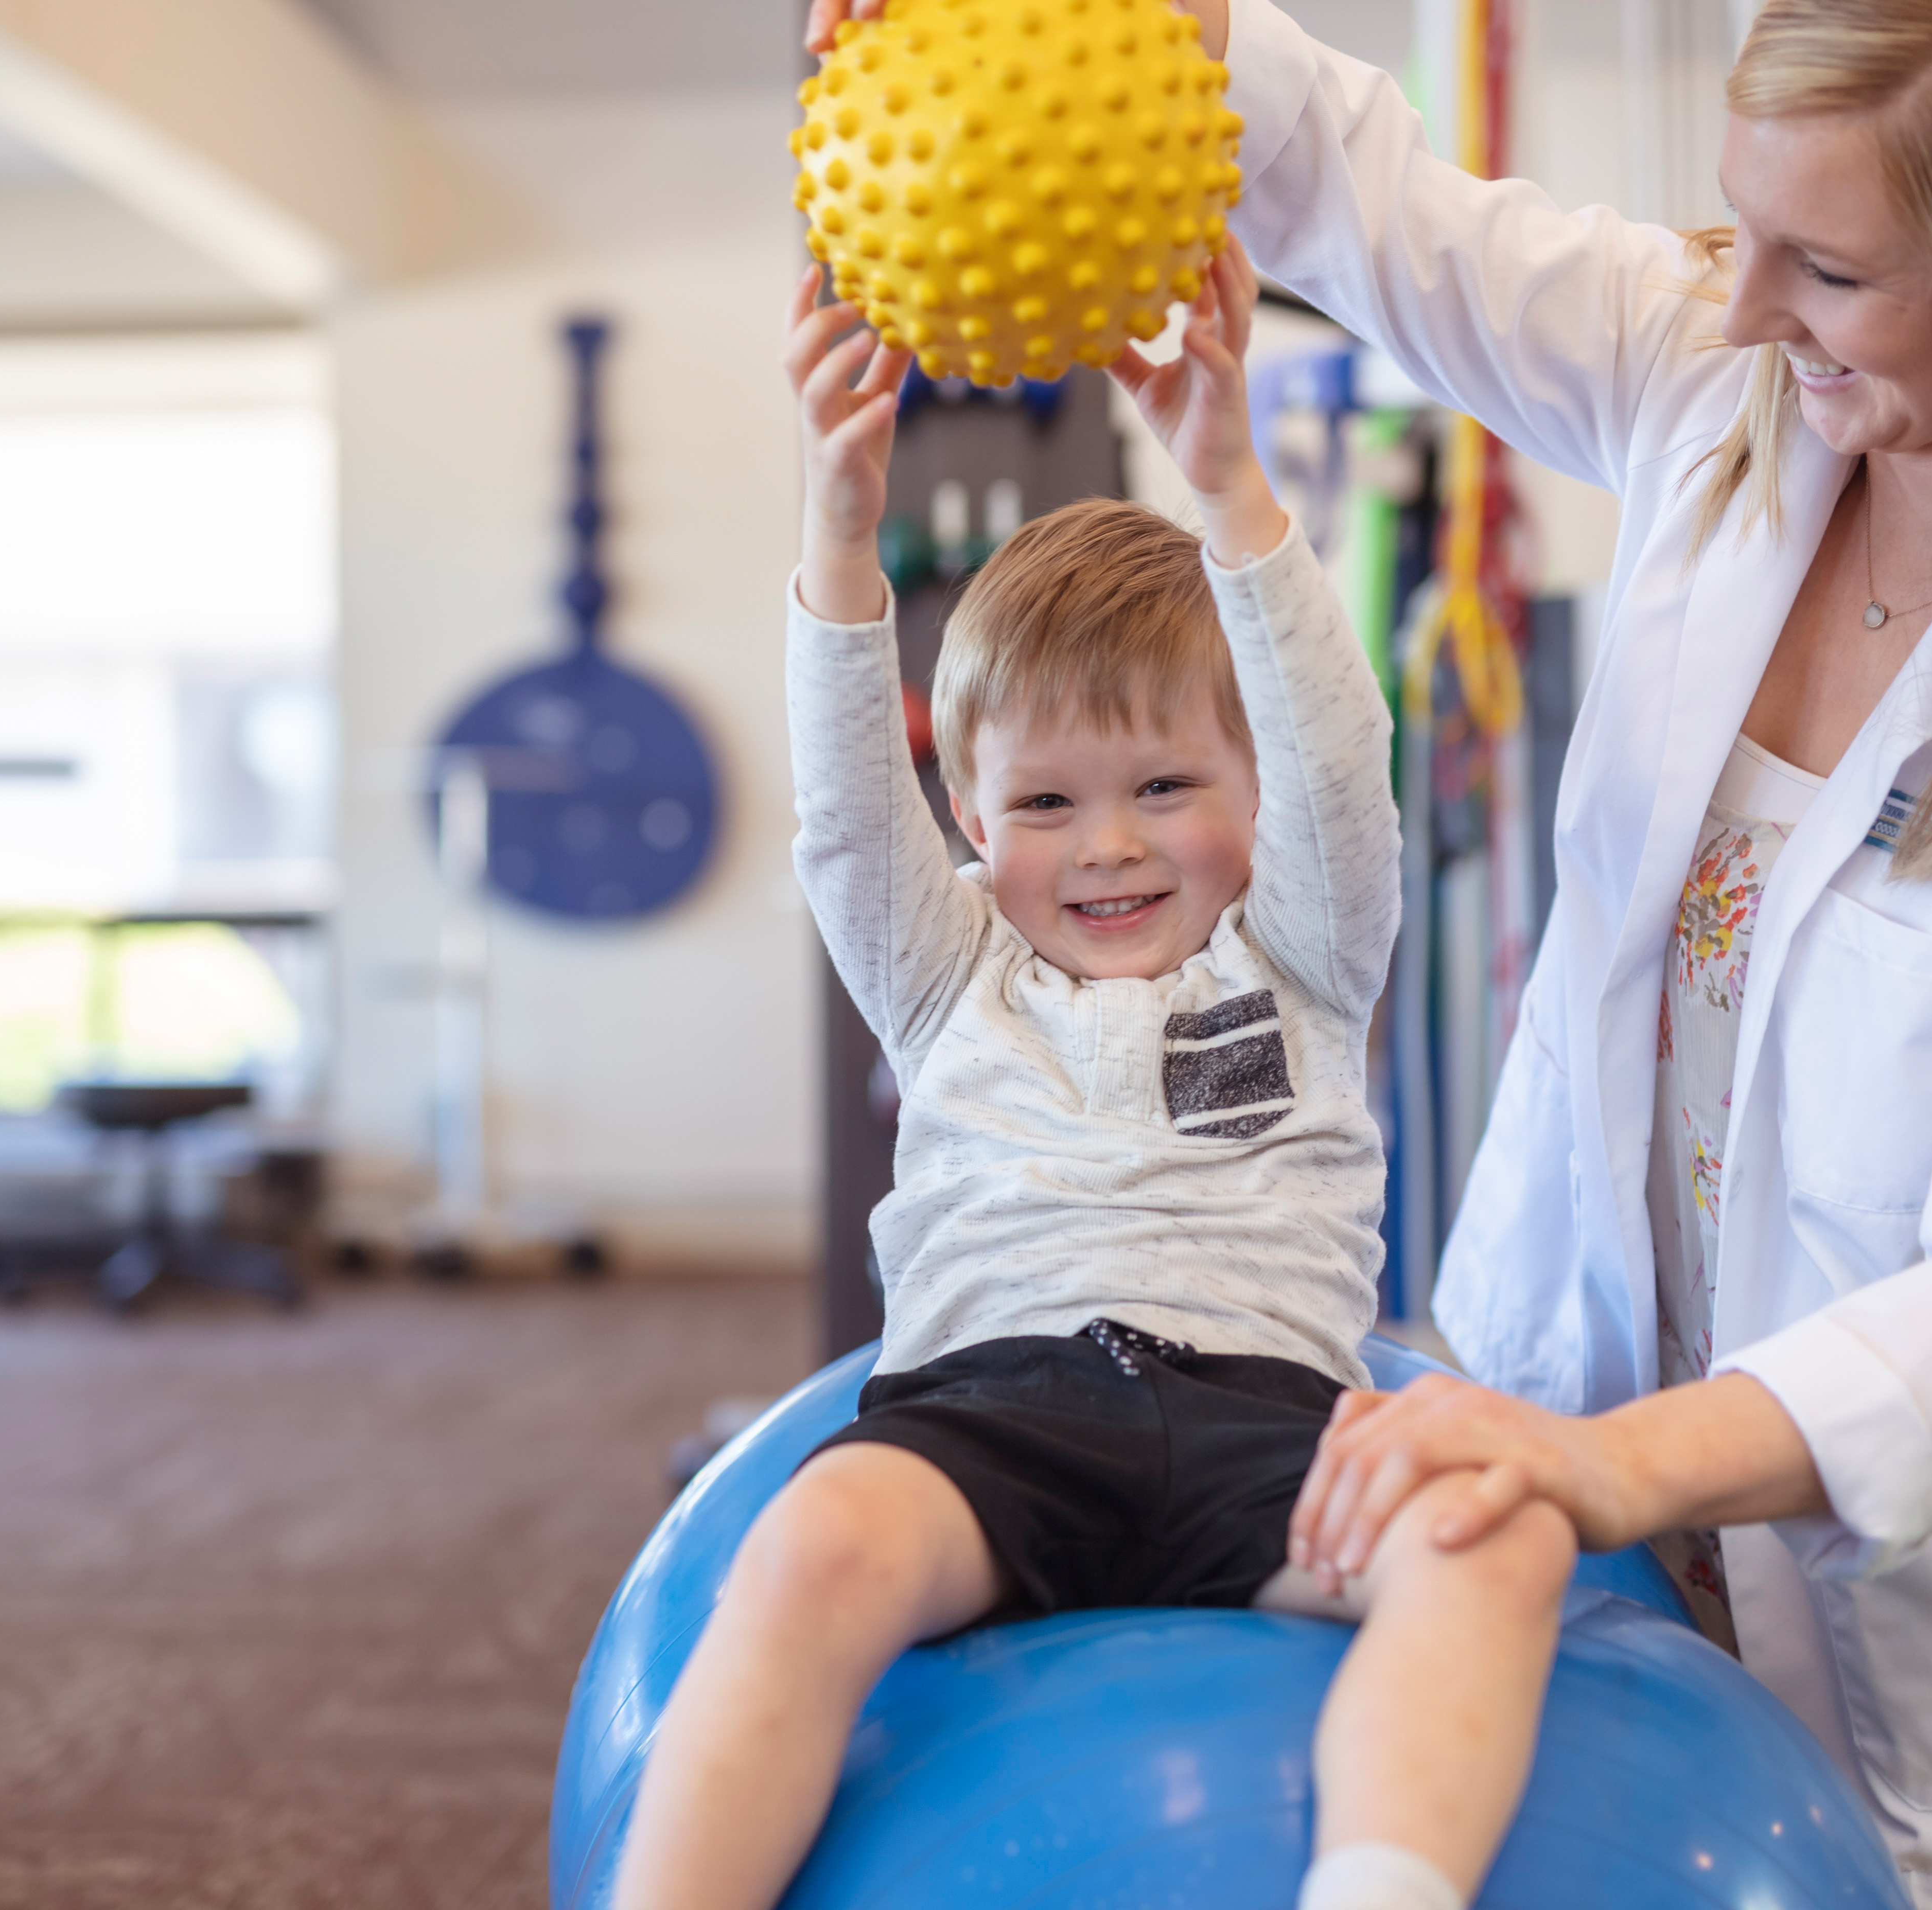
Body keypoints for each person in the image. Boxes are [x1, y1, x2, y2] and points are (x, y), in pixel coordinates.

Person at [799, 0, 1932, 1901]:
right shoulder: (1722, 380)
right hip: (1599, 1554)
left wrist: (1616, 1470)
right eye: (1749, 230)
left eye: (1831, 267)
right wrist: (1097, 27)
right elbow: (1371, 199)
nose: (1744, 311)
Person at [612, 243, 1573, 1910]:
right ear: (976, 821)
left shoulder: (1307, 948)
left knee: (1500, 1535)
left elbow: (1342, 760)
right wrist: (843, 533)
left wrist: (1228, 486)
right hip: (994, 1416)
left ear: (1250, 785)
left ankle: (1384, 1886)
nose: (1109, 846)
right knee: (812, 1543)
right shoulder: (950, 972)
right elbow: (847, 813)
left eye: (1164, 785)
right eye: (1045, 806)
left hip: (1275, 1428)